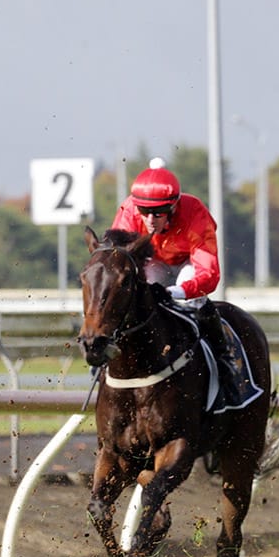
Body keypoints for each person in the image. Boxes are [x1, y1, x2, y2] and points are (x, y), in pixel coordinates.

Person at [110, 157, 239, 395]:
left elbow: (208, 273)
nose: (150, 219)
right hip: (153, 261)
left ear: (173, 207)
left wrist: (176, 292)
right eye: (145, 211)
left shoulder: (195, 213)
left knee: (192, 300)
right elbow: (117, 264)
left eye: (158, 213)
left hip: (187, 262)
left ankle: (224, 360)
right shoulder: (129, 211)